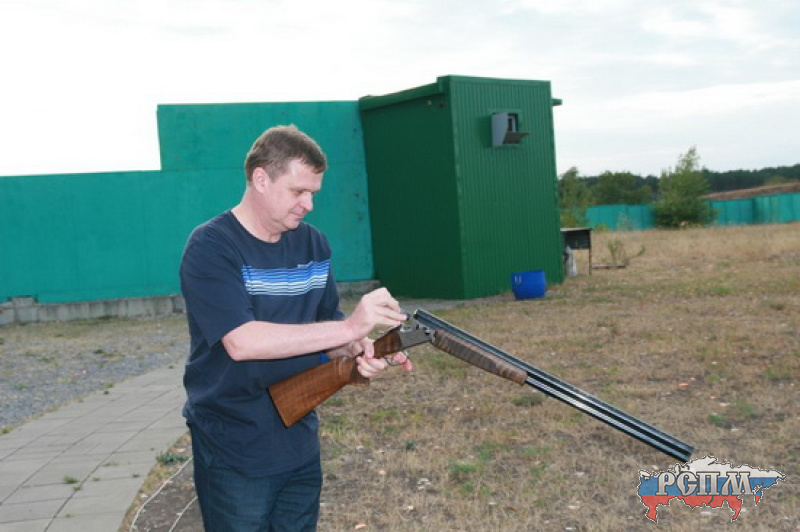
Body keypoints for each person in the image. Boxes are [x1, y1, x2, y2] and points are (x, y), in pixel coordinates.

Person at [179, 124, 412, 531]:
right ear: (261, 179)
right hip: (234, 444)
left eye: (313, 193)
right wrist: (350, 328)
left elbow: (329, 329)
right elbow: (242, 342)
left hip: (299, 432)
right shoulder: (211, 246)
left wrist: (361, 348)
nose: (309, 204)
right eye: (298, 191)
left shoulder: (313, 245)